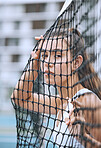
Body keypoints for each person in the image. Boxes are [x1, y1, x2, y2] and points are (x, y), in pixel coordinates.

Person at [11, 28, 101, 147]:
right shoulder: (60, 102)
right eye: (45, 55)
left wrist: (83, 138)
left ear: (76, 62)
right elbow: (19, 98)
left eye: (57, 55)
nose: (48, 62)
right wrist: (34, 64)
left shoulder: (87, 100)